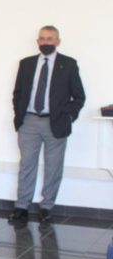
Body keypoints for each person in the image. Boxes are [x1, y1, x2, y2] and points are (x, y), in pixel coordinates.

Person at [10, 25, 85, 223]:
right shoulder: (26, 64)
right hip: (29, 122)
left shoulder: (68, 64)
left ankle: (46, 207)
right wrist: (19, 114)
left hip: (56, 122)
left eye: (50, 39)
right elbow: (18, 93)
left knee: (53, 167)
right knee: (27, 164)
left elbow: (79, 97)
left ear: (58, 42)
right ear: (37, 41)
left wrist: (68, 116)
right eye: (42, 39)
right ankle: (21, 207)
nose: (46, 42)